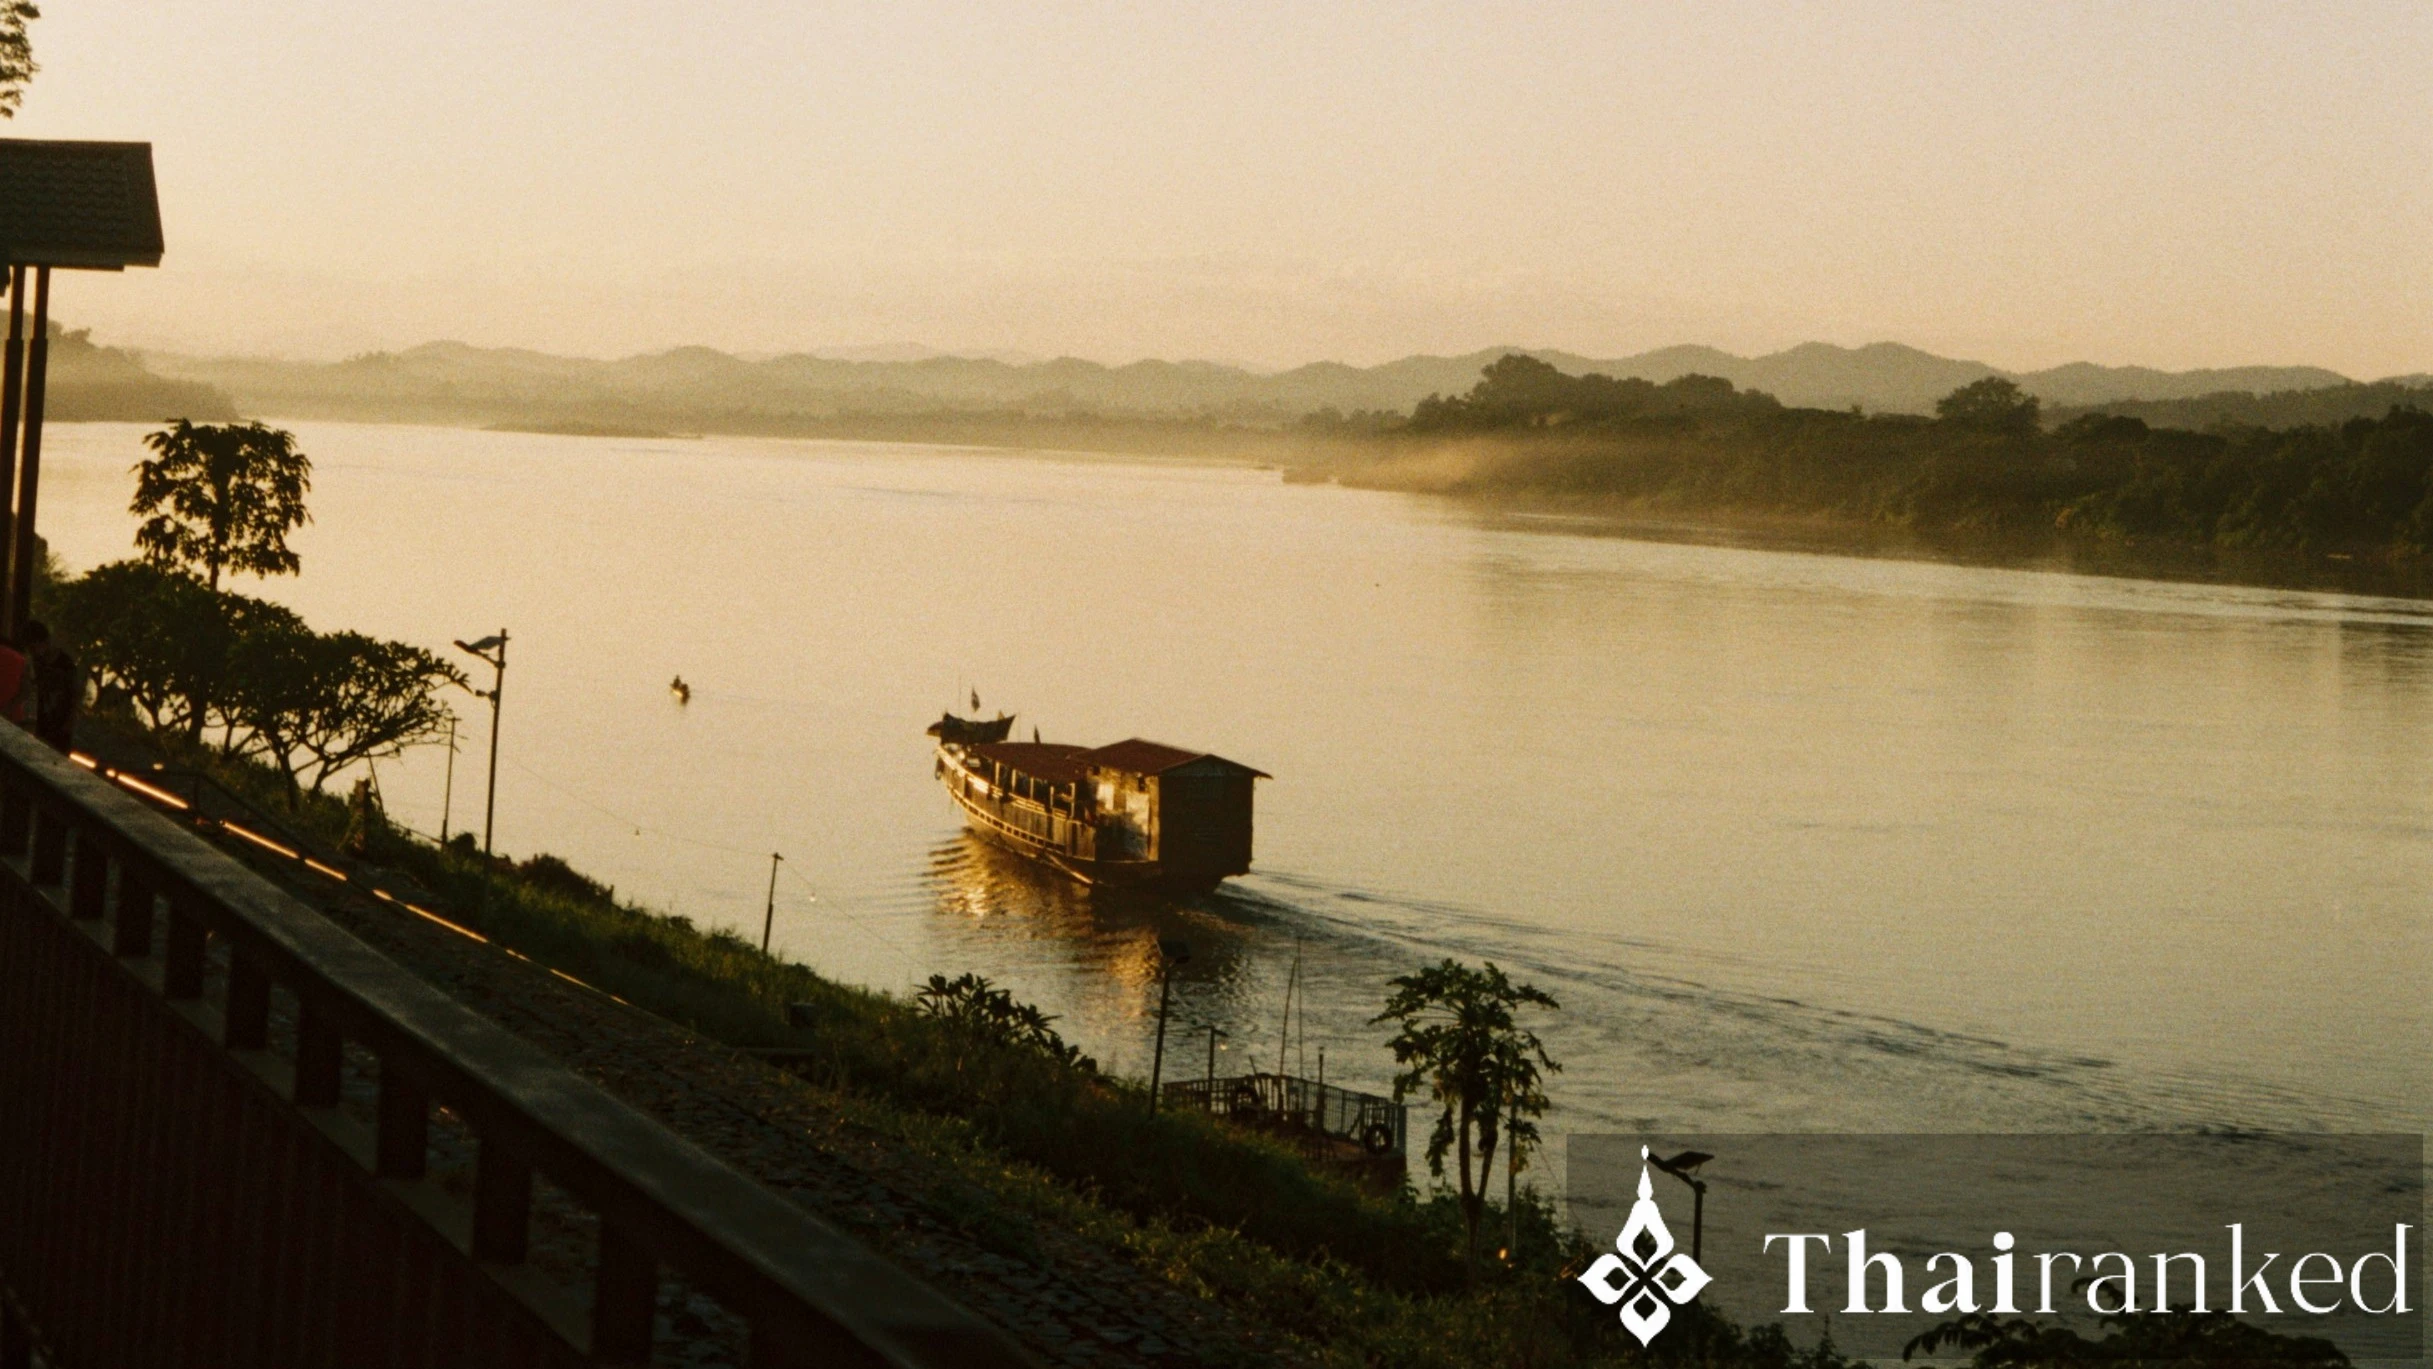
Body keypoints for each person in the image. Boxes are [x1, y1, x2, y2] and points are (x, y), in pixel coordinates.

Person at [21, 621, 77, 753]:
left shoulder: (65, 665)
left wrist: (68, 724)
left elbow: (73, 698)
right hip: (42, 725)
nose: (32, 652)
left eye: (33, 648)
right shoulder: (38, 662)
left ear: (44, 643)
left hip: (60, 728)